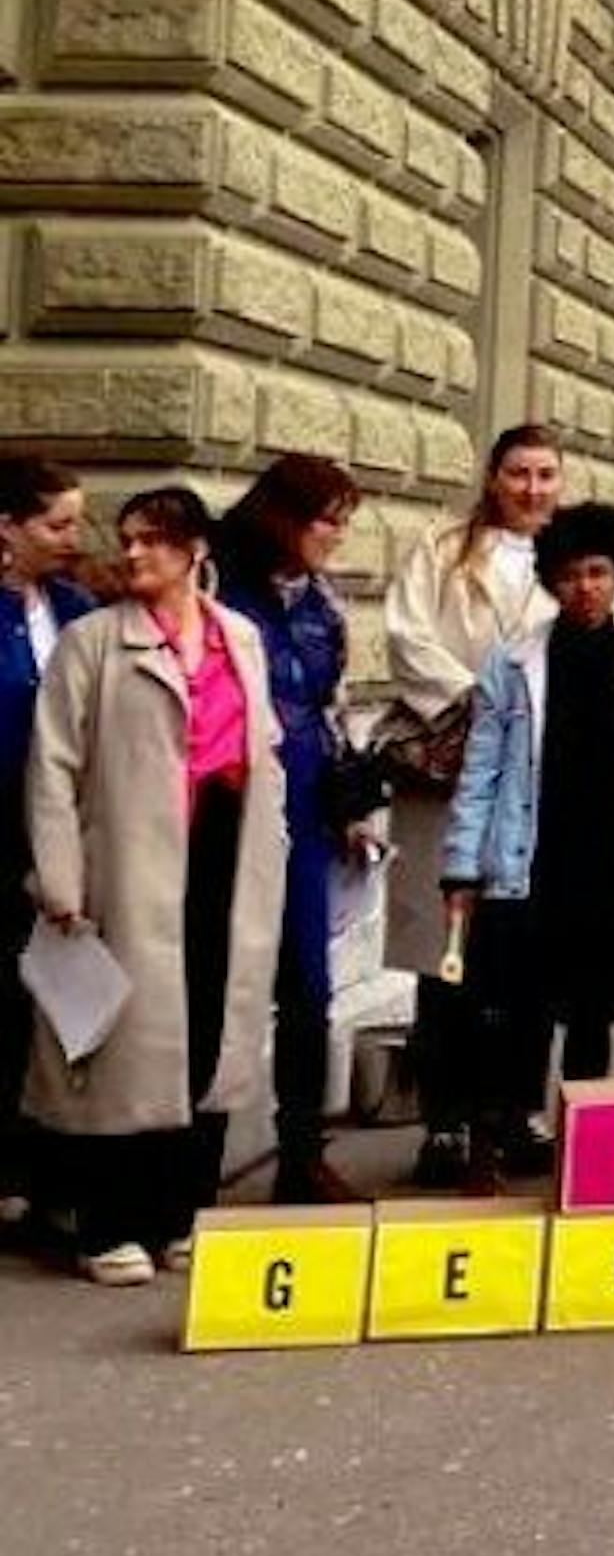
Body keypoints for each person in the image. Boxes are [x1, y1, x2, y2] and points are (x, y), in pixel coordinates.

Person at [22, 486, 288, 1282]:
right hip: (129, 863)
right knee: (123, 1048)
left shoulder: (240, 636)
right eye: (128, 539)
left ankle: (183, 1215)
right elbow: (53, 766)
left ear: (194, 550)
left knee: (209, 1032)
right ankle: (110, 1225)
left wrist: (269, 838)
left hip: (222, 851)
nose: (133, 553)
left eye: (153, 541)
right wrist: (61, 878)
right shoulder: (93, 642)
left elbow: (263, 744)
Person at [442, 504, 614, 1165]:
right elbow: (481, 769)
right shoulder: (512, 663)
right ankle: (521, 1119)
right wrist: (463, 867)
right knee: (527, 999)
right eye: (570, 575)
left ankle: (584, 1116)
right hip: (536, 853)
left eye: (598, 572)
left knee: (595, 1001)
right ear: (550, 583)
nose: (585, 587)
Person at [381, 422, 557, 1188]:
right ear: (494, 478)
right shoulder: (444, 551)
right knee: (448, 959)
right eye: (519, 473)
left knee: (527, 960)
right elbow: (408, 637)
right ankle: (446, 1119)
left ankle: (516, 1111)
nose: (532, 489)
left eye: (546, 474)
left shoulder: (571, 558)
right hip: (455, 772)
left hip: (538, 787)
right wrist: (481, 706)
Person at [211, 454, 374, 1204]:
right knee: (215, 984)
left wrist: (348, 807)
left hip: (304, 813)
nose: (336, 536)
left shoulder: (319, 606)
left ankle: (301, 1152)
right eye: (326, 520)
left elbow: (329, 710)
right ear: (284, 516)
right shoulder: (219, 590)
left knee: (309, 988)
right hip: (228, 810)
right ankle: (189, 1160)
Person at [2, 455, 97, 1236]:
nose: (75, 538)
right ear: (6, 527)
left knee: (57, 1007)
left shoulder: (68, 606)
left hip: (54, 830)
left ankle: (41, 1172)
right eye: (56, 524)